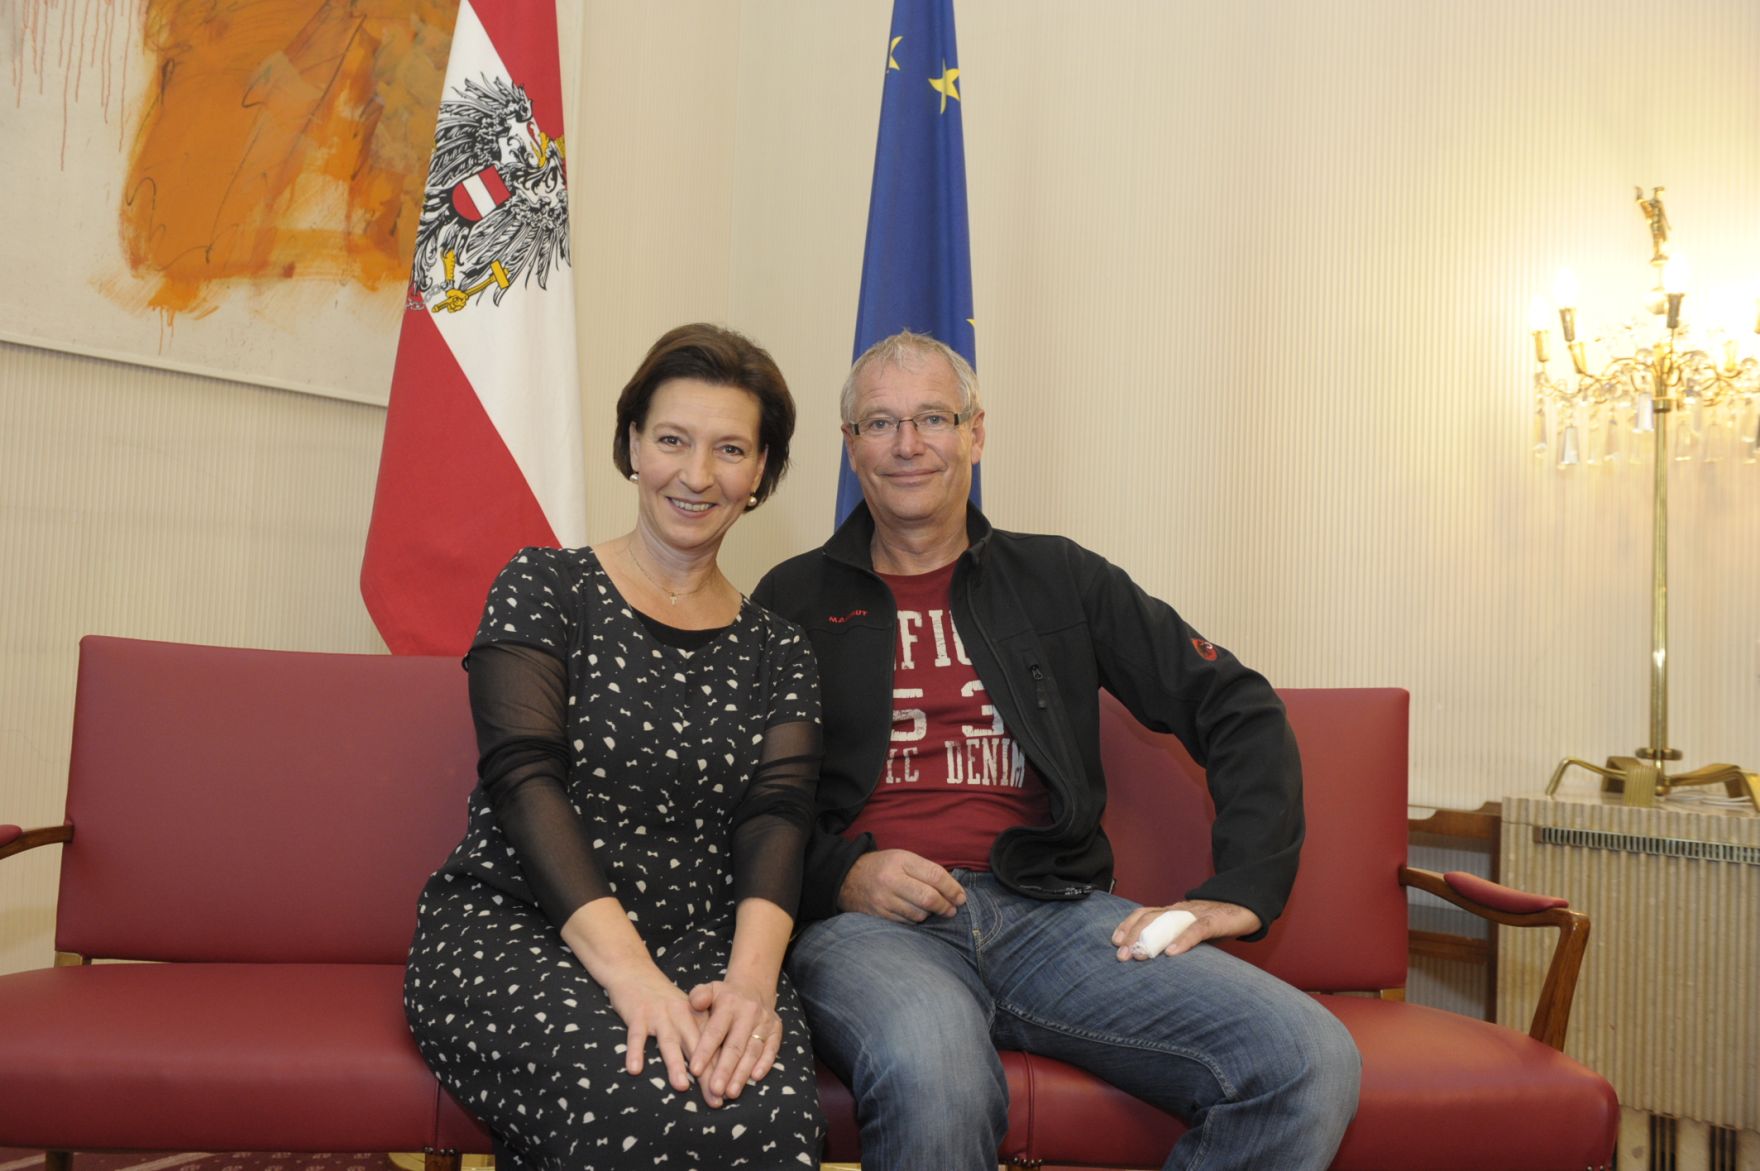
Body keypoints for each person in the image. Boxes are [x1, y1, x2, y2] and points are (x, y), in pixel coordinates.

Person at [752, 331, 1361, 1171]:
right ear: (850, 447)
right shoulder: (791, 599)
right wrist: (840, 873)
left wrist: (1243, 891)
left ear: (976, 432)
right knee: (936, 1074)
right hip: (872, 930)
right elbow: (748, 798)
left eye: (933, 417)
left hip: (1053, 912)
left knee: (1307, 1058)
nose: (908, 444)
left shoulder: (1059, 579)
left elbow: (1236, 703)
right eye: (881, 423)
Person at [405, 323, 825, 1171]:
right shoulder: (544, 586)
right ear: (633, 444)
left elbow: (778, 818)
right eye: (672, 439)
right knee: (636, 1101)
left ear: (761, 474)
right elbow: (525, 783)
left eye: (731, 449)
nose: (697, 474)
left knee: (766, 1113)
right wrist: (630, 976)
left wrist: (749, 984)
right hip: (521, 927)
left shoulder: (782, 650)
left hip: (705, 943)